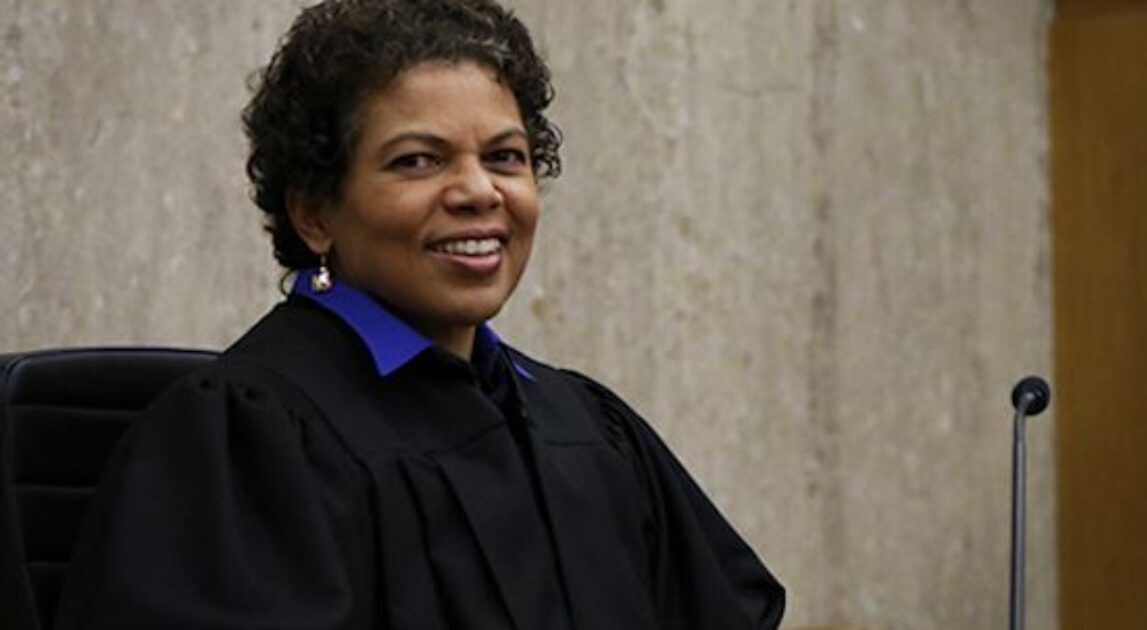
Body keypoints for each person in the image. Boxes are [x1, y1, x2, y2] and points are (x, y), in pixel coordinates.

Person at [54, 0, 785, 628]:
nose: (479, 191)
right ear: (314, 212)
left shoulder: (587, 428)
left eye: (505, 157)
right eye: (417, 161)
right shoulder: (247, 439)